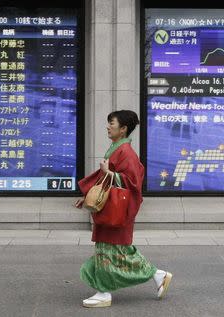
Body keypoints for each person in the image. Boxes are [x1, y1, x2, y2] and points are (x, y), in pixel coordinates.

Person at [75, 110, 173, 308]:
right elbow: (110, 179)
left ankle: (104, 292)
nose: (108, 126)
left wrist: (109, 172)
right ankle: (157, 275)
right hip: (112, 209)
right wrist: (89, 195)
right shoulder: (118, 149)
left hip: (116, 210)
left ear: (123, 129)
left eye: (112, 123)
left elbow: (133, 183)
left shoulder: (125, 152)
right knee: (118, 251)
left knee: (111, 252)